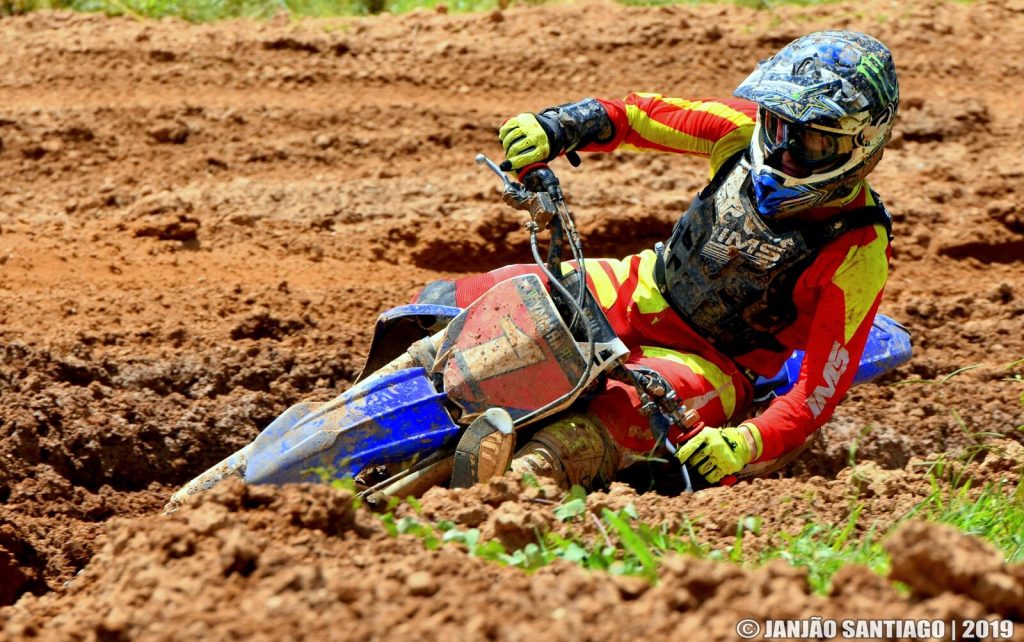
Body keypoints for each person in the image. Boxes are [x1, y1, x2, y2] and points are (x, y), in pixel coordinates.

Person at [414, 30, 900, 489]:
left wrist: (744, 443)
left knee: (607, 422)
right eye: (778, 126)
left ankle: (492, 500)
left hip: (711, 363)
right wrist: (557, 126)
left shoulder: (858, 250)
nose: (786, 152)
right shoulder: (740, 130)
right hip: (636, 288)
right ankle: (383, 392)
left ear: (864, 146)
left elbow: (816, 393)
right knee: (462, 301)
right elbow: (640, 114)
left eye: (814, 142)